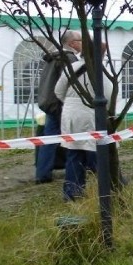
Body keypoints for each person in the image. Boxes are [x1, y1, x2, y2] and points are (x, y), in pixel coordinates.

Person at [54, 43, 113, 202]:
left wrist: (71, 103)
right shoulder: (103, 72)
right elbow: (109, 96)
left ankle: (72, 192)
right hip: (92, 114)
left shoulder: (71, 67)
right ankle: (105, 189)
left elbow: (59, 91)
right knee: (96, 153)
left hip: (71, 113)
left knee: (74, 153)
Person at [35, 30, 82, 184]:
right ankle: (76, 170)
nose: (81, 43)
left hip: (49, 103)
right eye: (79, 40)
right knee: (72, 139)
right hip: (60, 104)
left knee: (49, 139)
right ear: (72, 43)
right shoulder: (68, 59)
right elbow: (70, 84)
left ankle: (42, 173)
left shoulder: (52, 57)